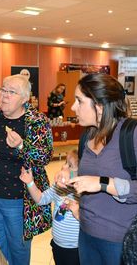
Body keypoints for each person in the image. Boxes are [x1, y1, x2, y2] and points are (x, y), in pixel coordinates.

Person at [56, 73, 137, 265]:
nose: (73, 107)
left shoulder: (131, 134)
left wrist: (103, 183)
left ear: (99, 106)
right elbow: (90, 177)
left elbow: (102, 180)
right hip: (86, 235)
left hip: (120, 240)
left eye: (79, 101)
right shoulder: (87, 137)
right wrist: (71, 175)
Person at [0, 74, 53, 265]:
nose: (5, 95)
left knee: (18, 249)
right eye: (3, 89)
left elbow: (44, 157)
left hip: (18, 200)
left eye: (12, 92)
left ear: (25, 99)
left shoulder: (37, 122)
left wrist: (21, 146)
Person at [20, 150, 80, 265]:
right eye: (66, 162)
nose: (64, 166)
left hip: (75, 249)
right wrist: (30, 183)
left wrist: (77, 211)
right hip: (57, 244)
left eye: (70, 165)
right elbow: (41, 199)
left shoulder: (84, 194)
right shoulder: (58, 187)